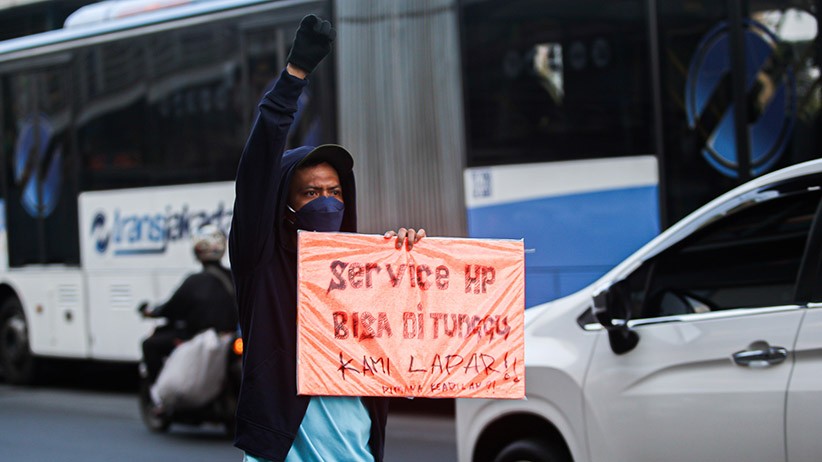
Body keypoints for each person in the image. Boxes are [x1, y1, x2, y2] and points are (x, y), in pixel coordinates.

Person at [230, 14, 424, 462]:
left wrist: (405, 263)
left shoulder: (367, 276)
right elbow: (258, 169)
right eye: (311, 193)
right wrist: (293, 77)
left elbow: (406, 342)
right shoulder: (263, 264)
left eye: (335, 192)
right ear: (284, 205)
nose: (326, 201)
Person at [139, 224, 239, 384]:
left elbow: (170, 308)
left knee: (149, 345)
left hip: (199, 338)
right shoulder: (233, 277)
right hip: (231, 337)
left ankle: (157, 395)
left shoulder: (194, 281)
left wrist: (151, 312)